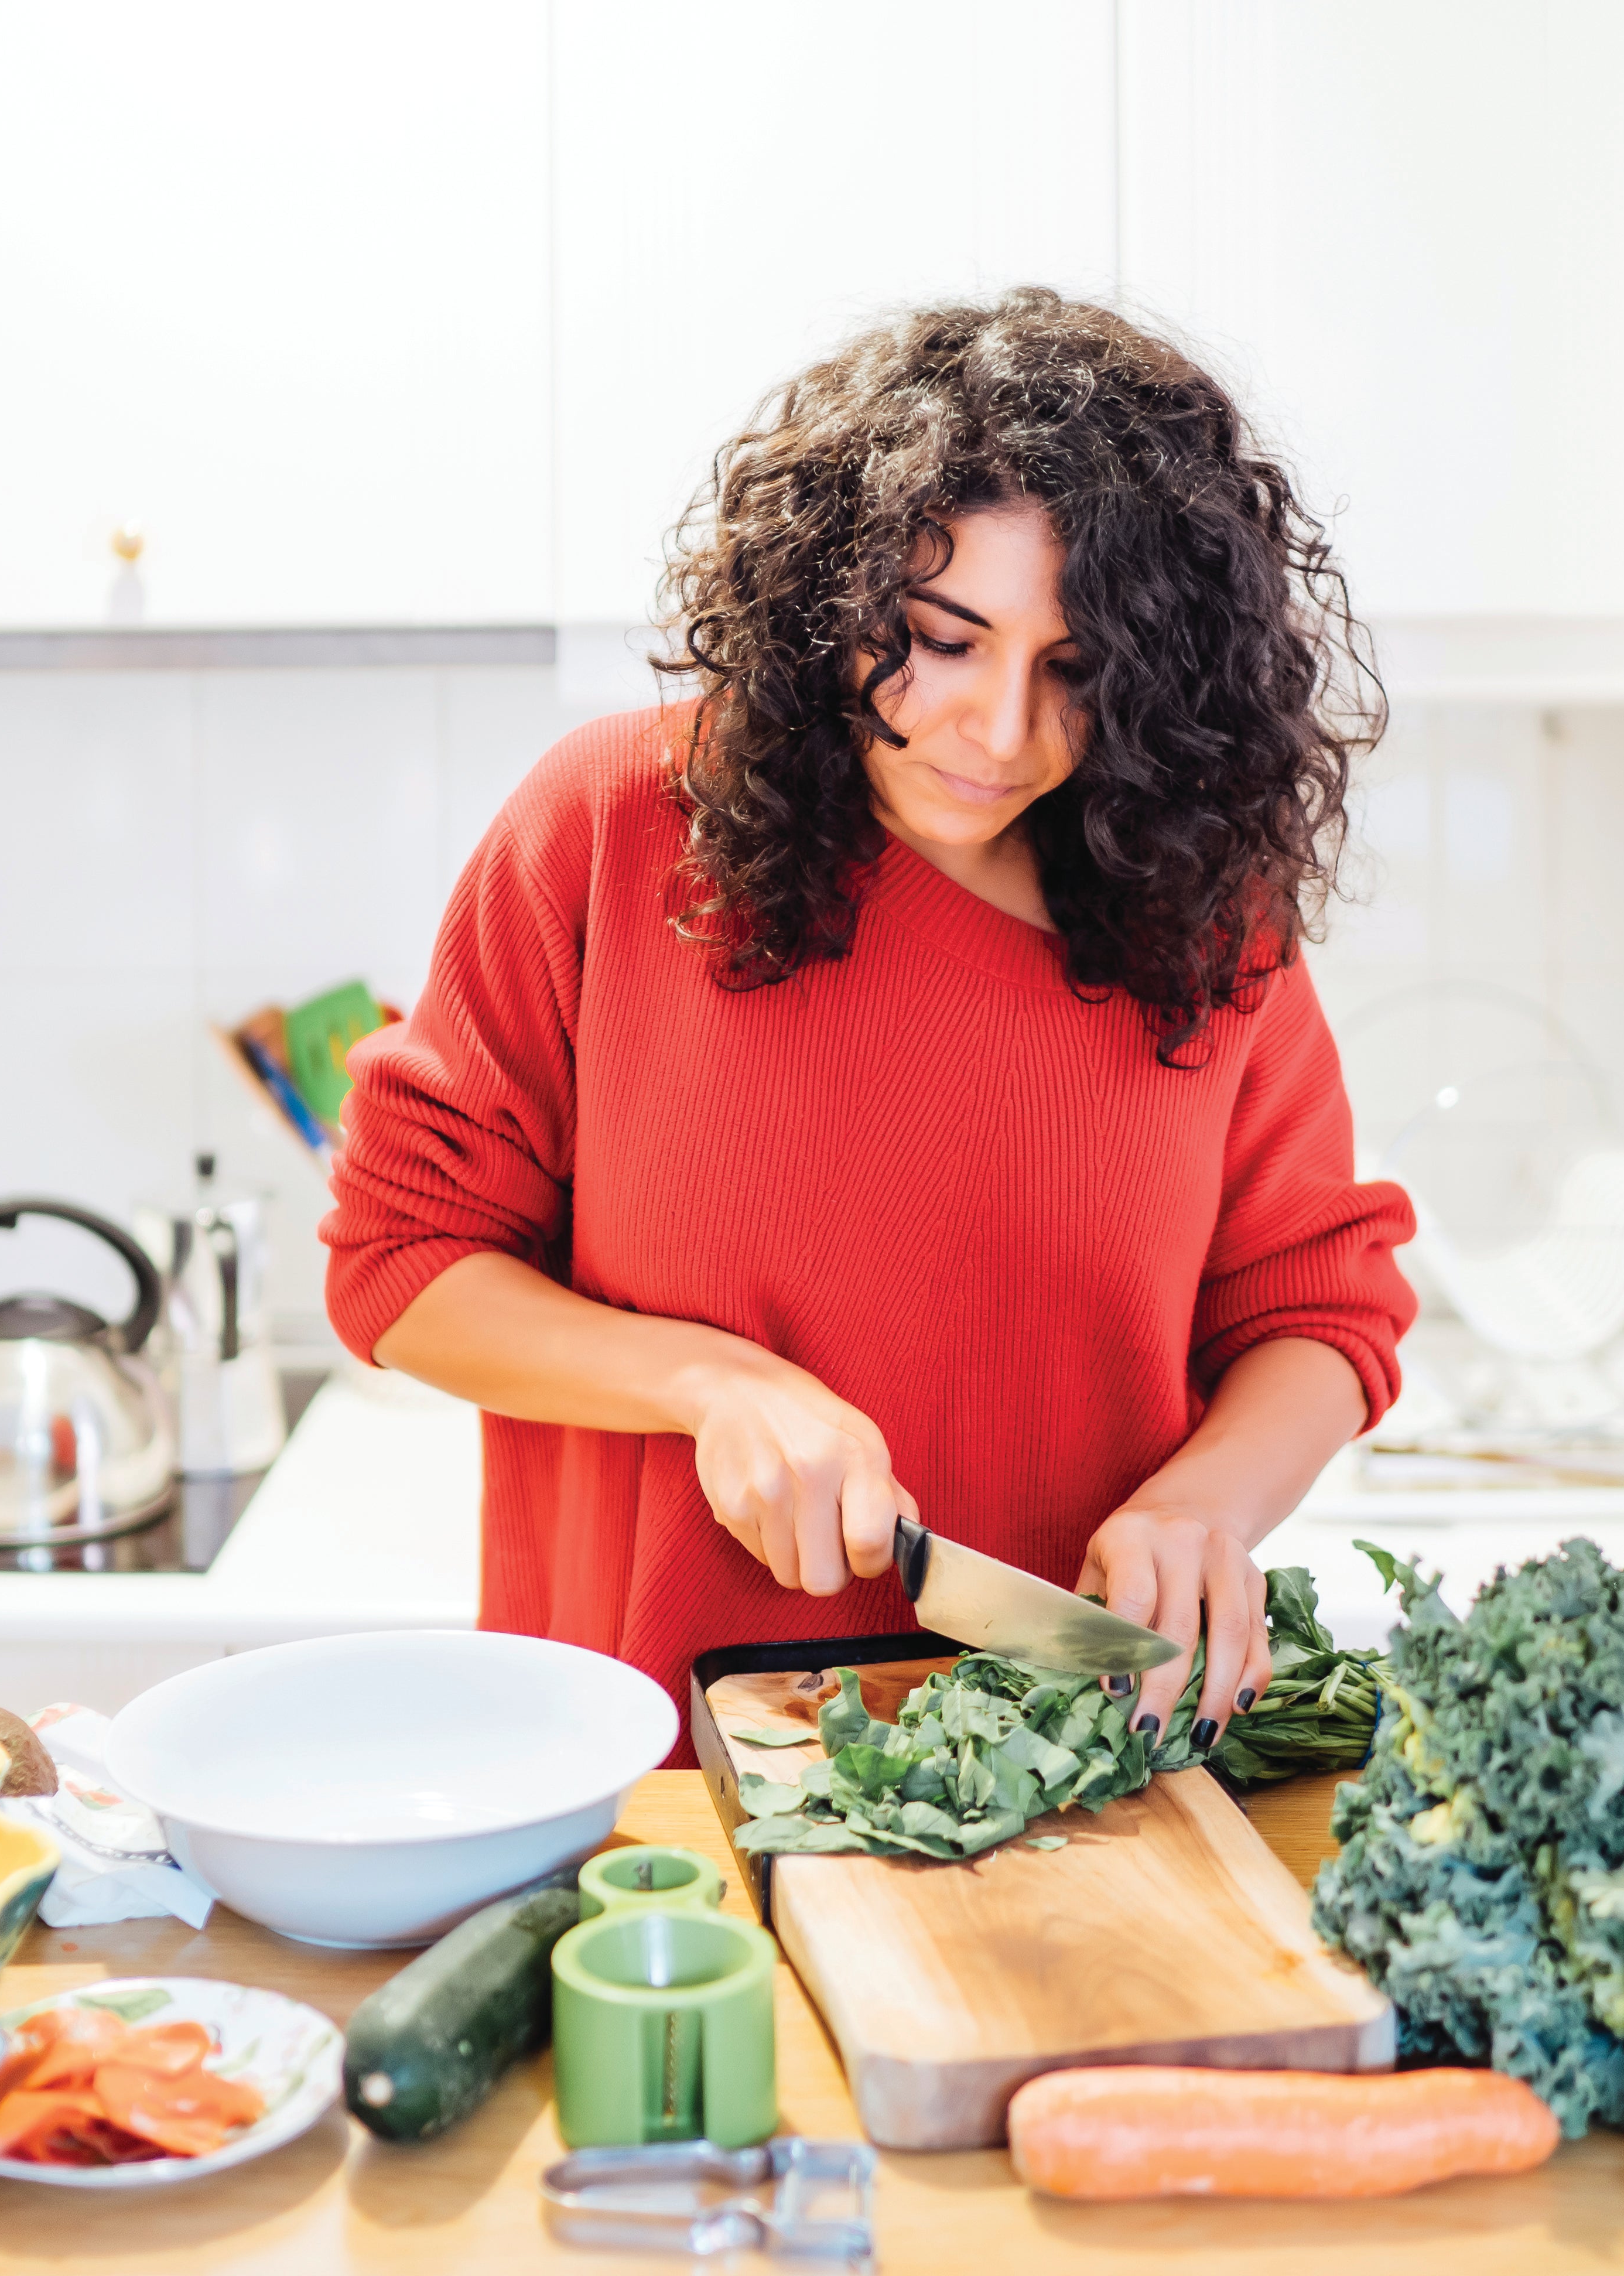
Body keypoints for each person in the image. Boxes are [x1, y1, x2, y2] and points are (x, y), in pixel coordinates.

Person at [322, 288, 1415, 1755]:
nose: (1003, 730)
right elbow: (403, 1258)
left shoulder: (1211, 917)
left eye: (1076, 670)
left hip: (1075, 1768)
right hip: (654, 1782)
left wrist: (1207, 1497)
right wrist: (707, 1382)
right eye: (942, 639)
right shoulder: (614, 827)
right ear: (835, 594)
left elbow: (1319, 1307)